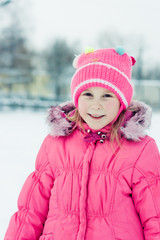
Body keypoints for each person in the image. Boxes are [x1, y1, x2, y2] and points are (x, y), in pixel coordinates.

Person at [4, 47, 160, 240]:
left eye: (107, 95)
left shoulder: (140, 149)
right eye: (88, 94)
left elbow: (155, 218)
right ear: (77, 97)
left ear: (122, 101)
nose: (96, 105)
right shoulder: (56, 143)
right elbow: (30, 211)